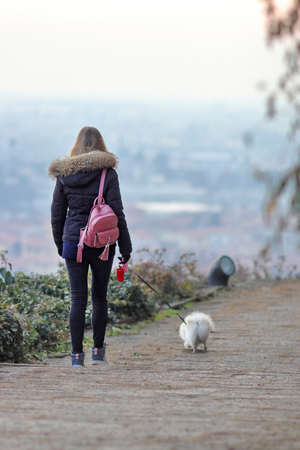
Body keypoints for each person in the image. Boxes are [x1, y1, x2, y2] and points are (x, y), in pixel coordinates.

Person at [48, 126, 132, 367]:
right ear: (101, 145)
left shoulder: (64, 175)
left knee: (77, 299)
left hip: (73, 242)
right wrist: (125, 248)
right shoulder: (108, 174)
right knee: (99, 297)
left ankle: (76, 357)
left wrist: (61, 243)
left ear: (77, 145)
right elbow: (118, 213)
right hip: (102, 243)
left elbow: (57, 215)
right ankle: (97, 354)